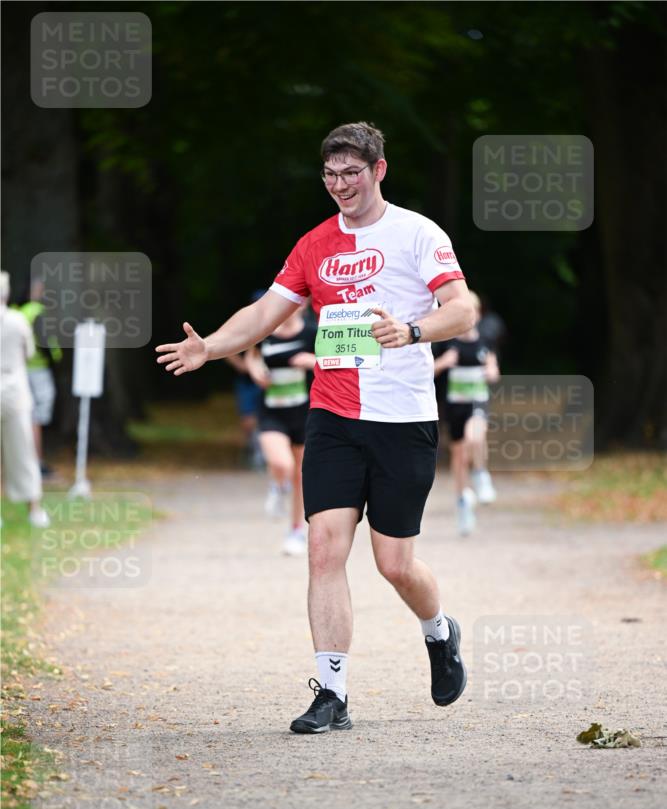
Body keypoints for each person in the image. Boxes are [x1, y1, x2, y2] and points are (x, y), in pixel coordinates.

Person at [156, 122, 475, 733]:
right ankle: (332, 694)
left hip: (402, 418)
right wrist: (212, 347)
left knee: (394, 564)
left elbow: (462, 308)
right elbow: (265, 312)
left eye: (351, 173)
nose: (340, 185)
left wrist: (412, 330)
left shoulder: (417, 233)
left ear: (379, 170)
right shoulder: (314, 244)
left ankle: (439, 631)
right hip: (332, 415)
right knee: (324, 547)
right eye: (330, 175)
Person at [244, 301, 316, 556]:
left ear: (303, 306)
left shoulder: (312, 332)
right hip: (272, 411)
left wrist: (312, 361)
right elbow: (251, 356)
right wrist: (255, 371)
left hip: (304, 412)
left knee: (300, 476)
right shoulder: (265, 332)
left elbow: (333, 361)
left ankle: (296, 531)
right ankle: (278, 486)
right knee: (281, 463)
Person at [433, 292, 500, 535]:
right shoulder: (446, 343)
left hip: (477, 403)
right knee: (459, 458)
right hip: (454, 407)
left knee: (476, 436)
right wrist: (443, 363)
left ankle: (481, 474)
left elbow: (494, 370)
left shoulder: (485, 341)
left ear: (477, 314)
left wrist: (491, 373)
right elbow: (427, 371)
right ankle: (463, 502)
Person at [0, 272, 50, 528]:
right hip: (15, 392)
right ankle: (34, 509)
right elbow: (29, 351)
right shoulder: (18, 320)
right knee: (23, 452)